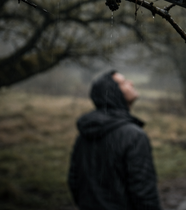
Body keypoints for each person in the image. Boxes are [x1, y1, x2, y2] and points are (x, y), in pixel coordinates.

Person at [68, 70, 162, 210]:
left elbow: (74, 182)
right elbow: (143, 191)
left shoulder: (84, 134)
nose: (132, 83)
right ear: (113, 92)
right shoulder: (134, 136)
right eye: (124, 82)